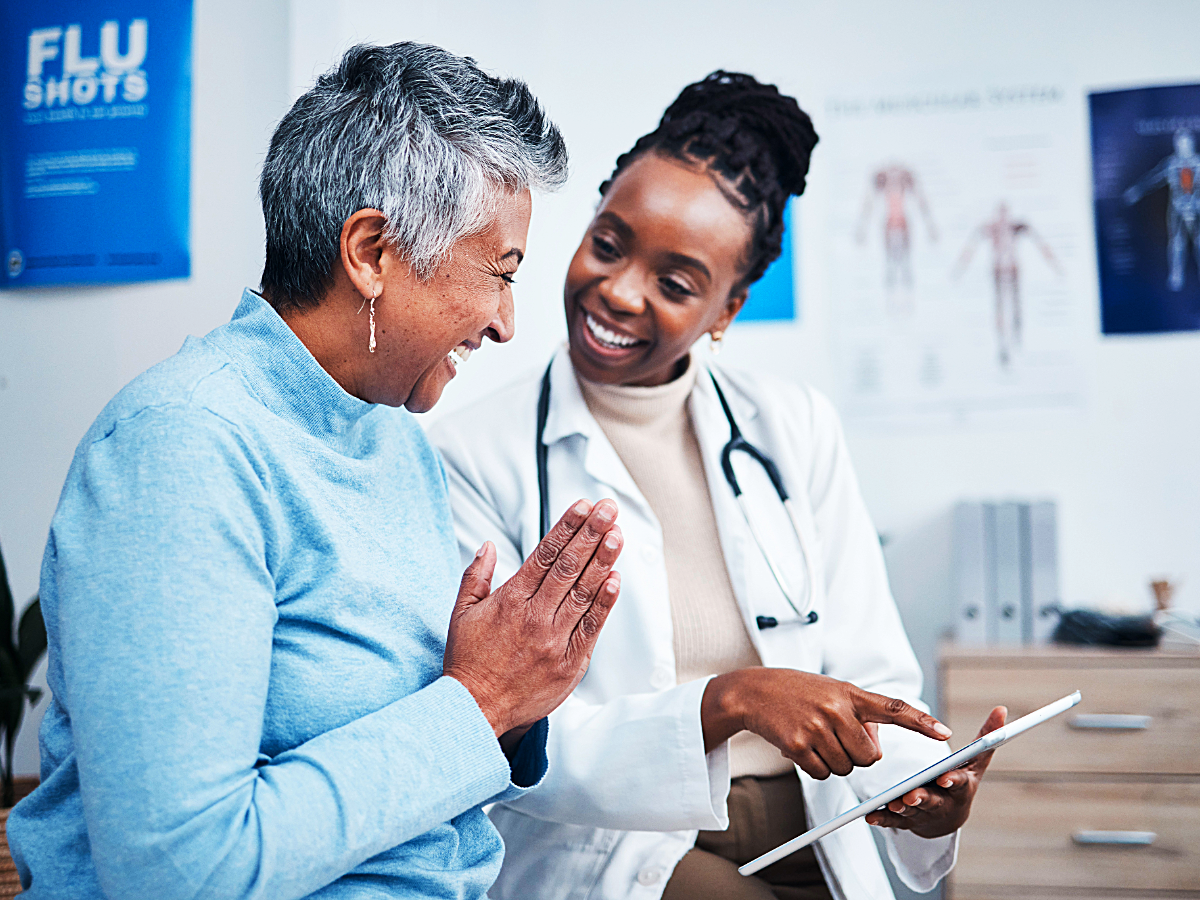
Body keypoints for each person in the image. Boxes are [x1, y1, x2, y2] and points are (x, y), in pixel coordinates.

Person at [9, 43, 626, 900]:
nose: (505, 323)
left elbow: (421, 755)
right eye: (499, 273)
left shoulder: (393, 439)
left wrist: (514, 700)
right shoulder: (182, 449)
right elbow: (178, 870)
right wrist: (478, 702)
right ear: (371, 252)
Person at [430, 72, 1005, 900]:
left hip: (820, 822)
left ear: (728, 308)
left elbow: (871, 671)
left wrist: (921, 789)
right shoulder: (473, 452)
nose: (619, 291)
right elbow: (507, 731)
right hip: (612, 842)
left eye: (675, 283)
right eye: (609, 242)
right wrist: (726, 701)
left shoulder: (793, 426)